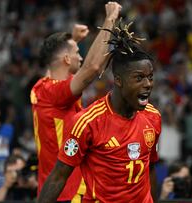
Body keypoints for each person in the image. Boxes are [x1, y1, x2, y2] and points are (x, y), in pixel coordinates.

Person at [38, 20, 161, 203]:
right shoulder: (88, 122)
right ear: (118, 81)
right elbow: (58, 177)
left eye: (150, 78)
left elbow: (149, 168)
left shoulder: (153, 117)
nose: (148, 84)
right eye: (139, 78)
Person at [30, 2, 121, 202]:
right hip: (67, 193)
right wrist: (110, 19)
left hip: (52, 192)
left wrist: (73, 39)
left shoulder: (40, 87)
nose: (80, 56)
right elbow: (93, 67)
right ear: (66, 59)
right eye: (76, 52)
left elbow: (54, 63)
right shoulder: (56, 94)